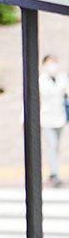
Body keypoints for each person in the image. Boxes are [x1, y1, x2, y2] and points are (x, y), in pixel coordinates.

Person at [40, 54, 69, 187]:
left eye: (54, 62)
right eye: (49, 62)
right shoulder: (41, 80)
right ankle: (54, 174)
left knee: (56, 146)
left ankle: (54, 171)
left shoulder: (62, 77)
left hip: (60, 117)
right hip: (46, 118)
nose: (52, 65)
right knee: (52, 145)